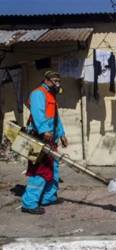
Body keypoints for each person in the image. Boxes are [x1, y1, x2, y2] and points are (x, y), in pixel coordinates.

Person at [21, 70, 68, 215]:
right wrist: (44, 130)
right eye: (56, 81)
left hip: (50, 139)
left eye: (59, 81)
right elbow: (37, 113)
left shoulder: (51, 95)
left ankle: (48, 197)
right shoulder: (38, 93)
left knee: (53, 170)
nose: (58, 84)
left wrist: (61, 134)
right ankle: (29, 203)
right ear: (47, 80)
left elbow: (55, 118)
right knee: (39, 171)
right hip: (38, 138)